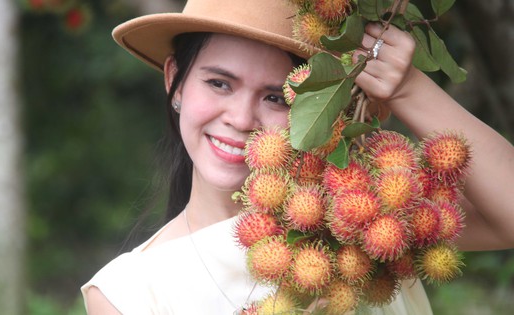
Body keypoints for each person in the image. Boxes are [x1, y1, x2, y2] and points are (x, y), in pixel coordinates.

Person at [81, 0, 514, 314]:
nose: (240, 118)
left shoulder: (362, 217)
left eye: (275, 97)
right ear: (175, 80)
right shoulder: (129, 293)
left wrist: (408, 88)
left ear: (325, 112)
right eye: (219, 84)